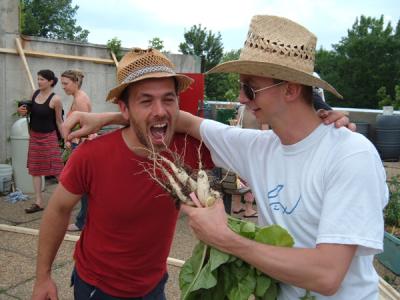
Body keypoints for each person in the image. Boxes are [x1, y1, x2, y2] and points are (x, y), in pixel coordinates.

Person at [176, 15, 388, 299]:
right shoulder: (259, 148)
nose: (241, 98)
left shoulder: (351, 155)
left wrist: (226, 239)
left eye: (249, 88)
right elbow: (185, 122)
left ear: (290, 89)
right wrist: (109, 117)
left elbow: (327, 275)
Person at [31, 48, 213, 300]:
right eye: (146, 100)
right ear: (124, 108)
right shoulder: (92, 155)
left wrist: (113, 117)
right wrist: (43, 277)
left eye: (169, 99)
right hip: (99, 288)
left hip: (154, 286)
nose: (160, 111)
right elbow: (58, 210)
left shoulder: (189, 148)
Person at [17, 69, 64, 214]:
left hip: (49, 137)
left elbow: (59, 121)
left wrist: (66, 138)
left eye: (42, 79)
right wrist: (23, 111)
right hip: (35, 137)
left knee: (57, 169)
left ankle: (67, 199)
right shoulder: (35, 93)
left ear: (50, 81)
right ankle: (38, 202)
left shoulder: (55, 99)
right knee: (35, 170)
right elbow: (29, 111)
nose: (39, 82)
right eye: (38, 79)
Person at [60, 69, 93, 232]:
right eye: (62, 84)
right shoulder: (79, 96)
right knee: (83, 185)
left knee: (81, 185)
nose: (63, 87)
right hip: (77, 144)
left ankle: (82, 221)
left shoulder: (80, 100)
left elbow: (87, 127)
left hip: (80, 145)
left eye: (66, 84)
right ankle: (85, 219)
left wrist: (72, 138)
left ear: (75, 82)